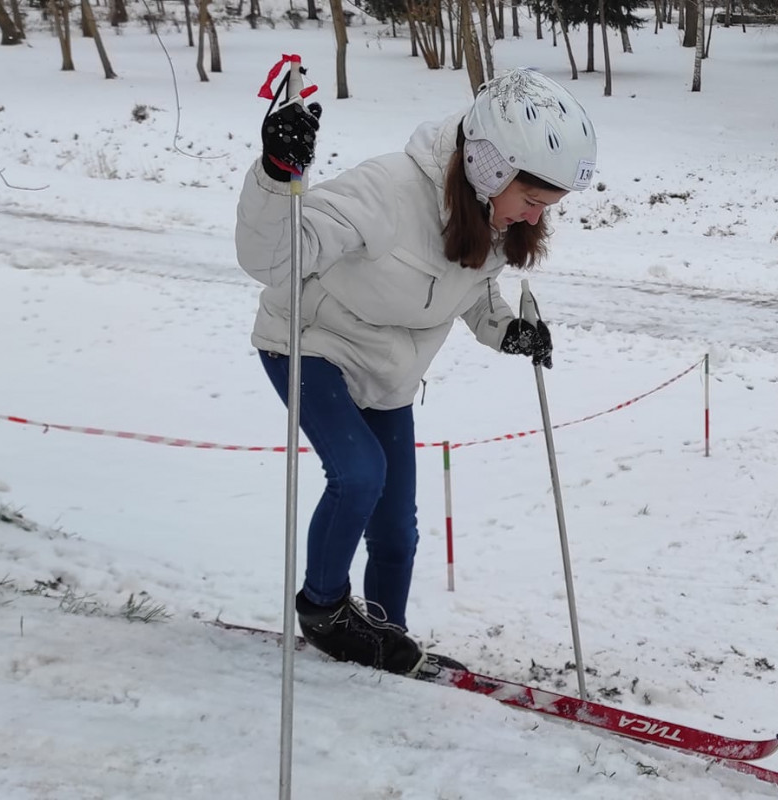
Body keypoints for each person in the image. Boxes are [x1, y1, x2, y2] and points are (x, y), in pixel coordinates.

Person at [235, 68, 597, 675]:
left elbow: (473, 291)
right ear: (488, 167)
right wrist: (277, 173)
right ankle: (323, 610)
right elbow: (272, 257)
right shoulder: (386, 192)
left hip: (390, 374)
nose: (536, 218)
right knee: (358, 474)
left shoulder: (491, 217)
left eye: (547, 206)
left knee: (398, 527)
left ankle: (384, 635)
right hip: (310, 344)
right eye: (532, 201)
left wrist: (510, 330)